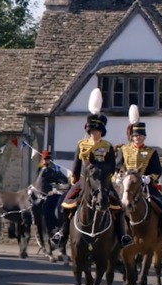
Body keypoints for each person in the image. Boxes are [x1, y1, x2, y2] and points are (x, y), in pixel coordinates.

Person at [52, 89, 133, 249]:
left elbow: (111, 165)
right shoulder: (81, 144)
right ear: (89, 130)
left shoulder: (107, 146)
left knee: (118, 207)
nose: (95, 133)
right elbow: (76, 163)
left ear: (101, 131)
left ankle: (121, 235)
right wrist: (74, 177)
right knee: (65, 203)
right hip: (84, 180)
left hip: (103, 181)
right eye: (93, 130)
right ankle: (63, 232)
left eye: (98, 130)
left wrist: (106, 175)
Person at [116, 111, 162, 247]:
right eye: (135, 136)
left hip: (145, 185)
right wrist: (117, 177)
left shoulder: (151, 152)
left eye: (140, 136)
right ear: (132, 137)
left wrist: (149, 178)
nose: (137, 138)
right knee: (110, 207)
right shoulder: (124, 150)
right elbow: (117, 166)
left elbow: (157, 170)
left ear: (144, 137)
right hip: (126, 186)